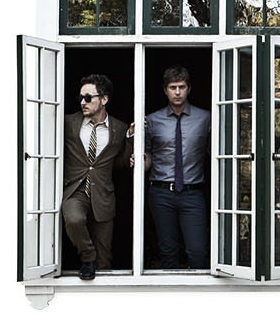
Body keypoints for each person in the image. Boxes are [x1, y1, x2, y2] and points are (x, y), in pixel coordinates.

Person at [62, 74, 134, 280]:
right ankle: (88, 257)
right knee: (74, 220)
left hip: (103, 194)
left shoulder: (119, 128)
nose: (82, 102)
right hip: (75, 190)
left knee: (104, 257)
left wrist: (131, 139)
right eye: (81, 98)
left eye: (88, 98)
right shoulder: (68, 122)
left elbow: (118, 163)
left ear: (104, 99)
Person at [145, 65, 211, 269]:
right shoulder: (152, 120)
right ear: (165, 90)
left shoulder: (206, 118)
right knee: (168, 251)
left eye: (181, 87)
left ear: (189, 89)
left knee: (198, 251)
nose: (177, 92)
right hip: (160, 193)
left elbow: (216, 153)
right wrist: (141, 162)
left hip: (192, 193)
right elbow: (147, 155)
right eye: (172, 87)